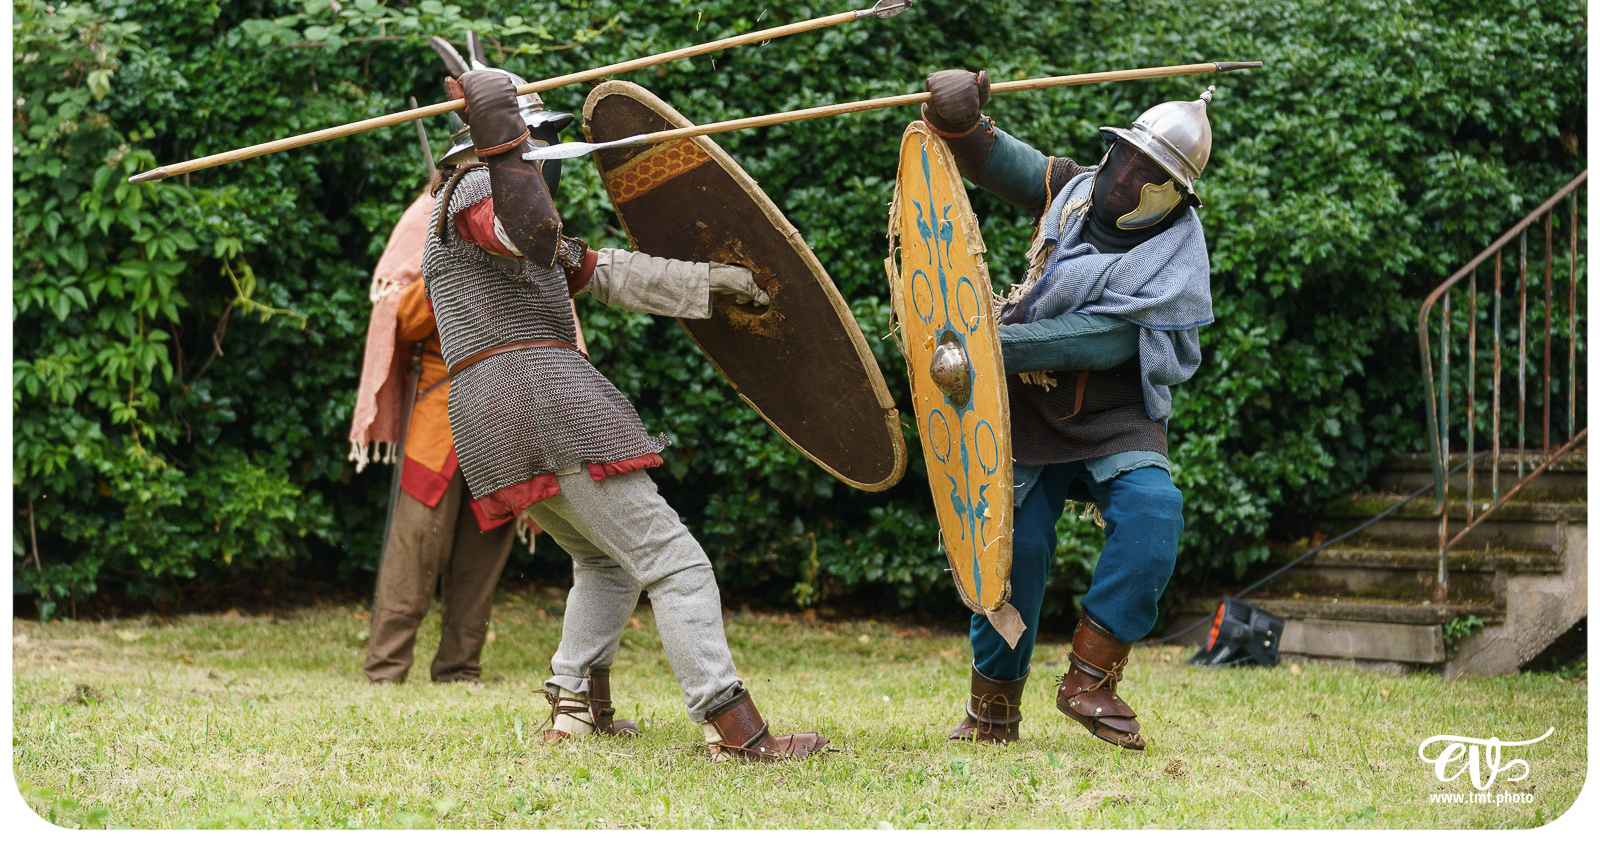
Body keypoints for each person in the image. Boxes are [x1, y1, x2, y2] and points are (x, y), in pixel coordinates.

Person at [421, 65, 827, 762]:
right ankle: (733, 727)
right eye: (534, 146)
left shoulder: (488, 209)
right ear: (509, 142)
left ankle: (575, 706)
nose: (542, 164)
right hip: (542, 397)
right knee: (676, 561)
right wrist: (501, 149)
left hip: (492, 411)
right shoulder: (484, 189)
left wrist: (710, 286)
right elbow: (526, 230)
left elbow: (605, 270)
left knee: (604, 559)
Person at [920, 68, 1216, 751]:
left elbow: (1098, 339)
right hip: (1023, 410)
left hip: (1115, 415)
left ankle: (1091, 679)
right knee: (1010, 550)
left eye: (1150, 175)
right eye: (1124, 160)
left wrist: (984, 343)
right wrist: (963, 119)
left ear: (1175, 195)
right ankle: (993, 708)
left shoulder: (1172, 258)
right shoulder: (1072, 189)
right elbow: (1001, 161)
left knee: (1153, 510)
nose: (1123, 181)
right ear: (1111, 151)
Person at [349, 190, 516, 684]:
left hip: (509, 402)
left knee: (488, 538)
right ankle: (387, 667)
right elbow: (400, 316)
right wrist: (452, 268)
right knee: (416, 540)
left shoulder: (528, 211)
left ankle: (460, 668)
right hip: (439, 402)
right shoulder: (429, 214)